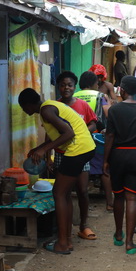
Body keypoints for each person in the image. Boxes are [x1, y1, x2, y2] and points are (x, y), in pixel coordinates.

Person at [18, 88, 95, 254]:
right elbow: (59, 134)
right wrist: (39, 148)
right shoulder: (49, 107)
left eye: (23, 107)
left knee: (58, 194)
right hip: (84, 148)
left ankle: (62, 243)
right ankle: (66, 240)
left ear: (29, 104)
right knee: (64, 194)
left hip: (77, 149)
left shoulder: (46, 110)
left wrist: (44, 149)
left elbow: (68, 133)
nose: (24, 111)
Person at [103, 76, 136, 255]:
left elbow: (109, 137)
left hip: (118, 157)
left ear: (123, 90)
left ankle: (118, 234)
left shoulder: (114, 110)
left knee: (118, 197)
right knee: (132, 199)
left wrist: (105, 160)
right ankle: (129, 242)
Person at [55, 71, 98, 242]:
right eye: (63, 85)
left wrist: (81, 134)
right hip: (61, 154)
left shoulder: (82, 105)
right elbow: (49, 132)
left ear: (75, 87)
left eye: (70, 85)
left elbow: (94, 123)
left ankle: (84, 226)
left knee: (82, 190)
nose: (66, 88)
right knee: (64, 193)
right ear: (59, 87)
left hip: (80, 153)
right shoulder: (54, 106)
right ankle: (65, 231)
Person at [74, 70, 114, 211]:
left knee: (80, 170)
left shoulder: (73, 96)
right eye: (97, 83)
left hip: (76, 138)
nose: (98, 85)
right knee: (104, 169)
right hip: (96, 137)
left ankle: (80, 200)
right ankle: (109, 202)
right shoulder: (101, 96)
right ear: (93, 83)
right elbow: (109, 113)